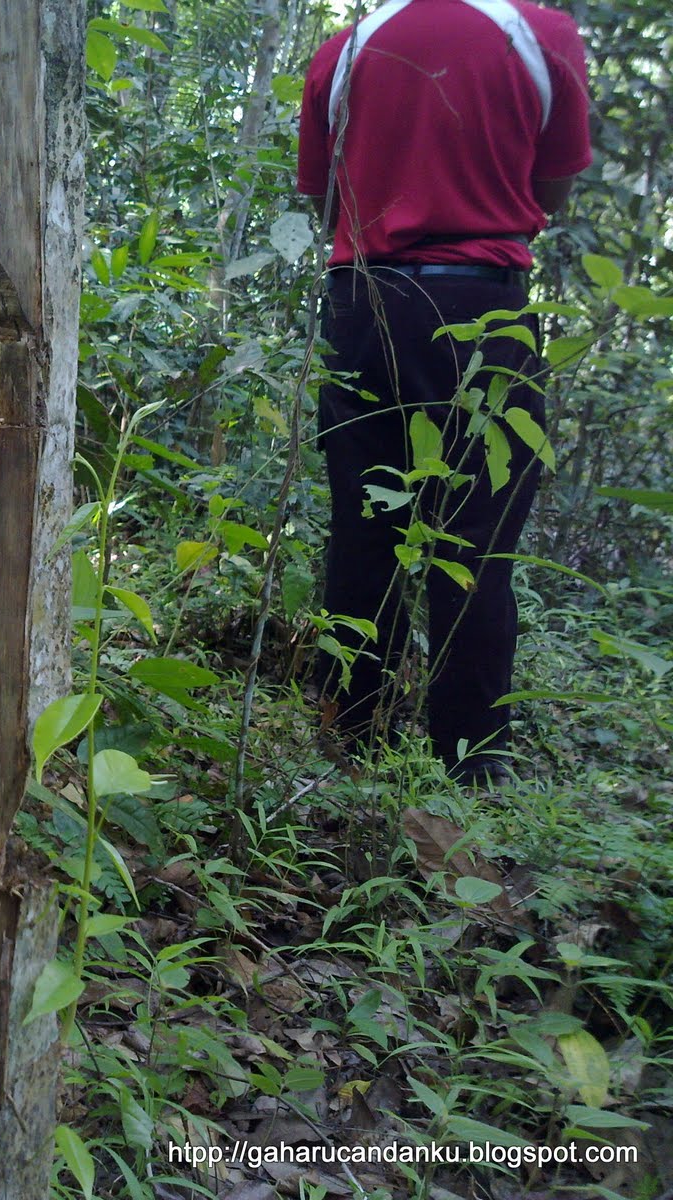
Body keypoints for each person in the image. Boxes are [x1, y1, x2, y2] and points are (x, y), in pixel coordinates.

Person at [296, 0, 592, 783]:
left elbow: (324, 201)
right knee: (477, 543)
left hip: (364, 305)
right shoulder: (543, 36)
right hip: (484, 308)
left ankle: (349, 735)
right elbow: (554, 187)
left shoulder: (346, 50)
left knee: (365, 529)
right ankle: (472, 762)